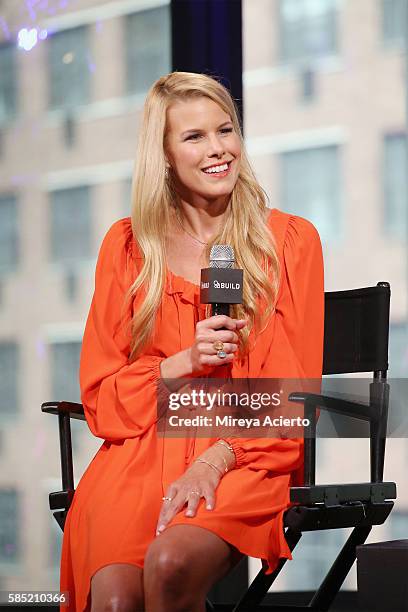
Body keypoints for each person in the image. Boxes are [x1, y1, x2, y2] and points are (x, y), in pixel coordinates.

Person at [60, 71, 324, 612]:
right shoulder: (128, 247)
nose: (218, 150)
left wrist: (214, 459)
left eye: (225, 130)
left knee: (171, 565)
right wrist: (180, 362)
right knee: (115, 600)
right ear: (164, 156)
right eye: (194, 137)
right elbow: (101, 402)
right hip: (138, 454)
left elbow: (292, 395)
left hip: (245, 452)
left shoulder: (289, 242)